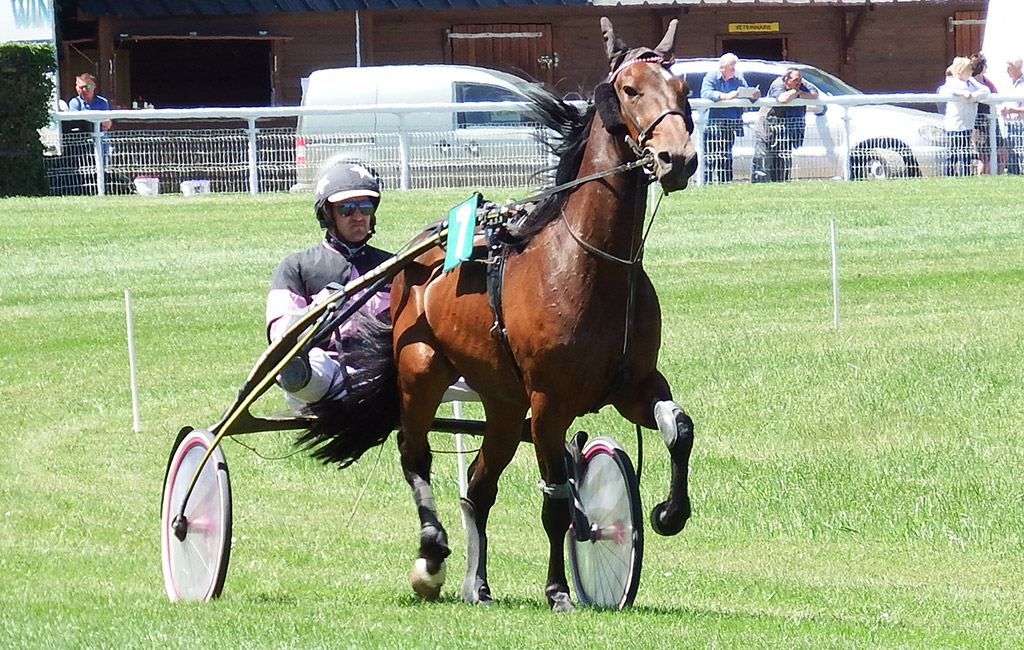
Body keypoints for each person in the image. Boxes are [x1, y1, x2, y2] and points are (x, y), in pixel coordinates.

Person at [266, 163, 393, 408]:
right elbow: (280, 334)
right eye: (346, 209)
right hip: (324, 366)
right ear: (327, 214)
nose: (358, 216)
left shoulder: (392, 266)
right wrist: (317, 310)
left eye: (365, 207)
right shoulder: (296, 266)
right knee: (309, 361)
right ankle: (299, 376)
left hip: (382, 369)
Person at [700, 53, 761, 184]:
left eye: (734, 66)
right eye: (732, 66)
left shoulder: (738, 79)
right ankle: (706, 182)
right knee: (710, 155)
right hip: (713, 124)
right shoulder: (712, 77)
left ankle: (725, 182)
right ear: (722, 68)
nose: (734, 69)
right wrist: (724, 96)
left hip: (730, 124)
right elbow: (705, 93)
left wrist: (754, 95)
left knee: (726, 155)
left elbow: (748, 93)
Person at [751, 67, 819, 183]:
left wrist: (799, 93)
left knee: (782, 162)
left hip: (784, 132)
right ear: (787, 79)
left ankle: (781, 185)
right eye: (796, 80)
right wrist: (795, 92)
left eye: (800, 80)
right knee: (763, 162)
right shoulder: (778, 84)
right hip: (766, 130)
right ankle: (759, 187)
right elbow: (782, 99)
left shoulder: (801, 84)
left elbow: (814, 95)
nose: (799, 83)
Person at [938, 56, 990, 177]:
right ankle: (948, 176)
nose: (971, 72)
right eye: (968, 70)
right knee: (953, 153)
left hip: (968, 124)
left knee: (965, 152)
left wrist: (973, 96)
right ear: (961, 70)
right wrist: (961, 94)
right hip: (955, 125)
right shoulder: (952, 82)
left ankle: (965, 175)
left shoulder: (971, 82)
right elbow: (943, 91)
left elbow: (985, 90)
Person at [969, 53, 1001, 174]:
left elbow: (996, 95)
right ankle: (982, 177)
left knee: (1001, 151)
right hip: (979, 122)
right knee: (984, 156)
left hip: (991, 120)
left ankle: (998, 176)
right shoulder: (971, 82)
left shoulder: (987, 82)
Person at [1000, 56, 1024, 174]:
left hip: (1021, 124)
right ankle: (1013, 173)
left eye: (1009, 68)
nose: (1007, 71)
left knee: (1021, 151)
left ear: (1017, 67)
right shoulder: (1009, 84)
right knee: (1011, 152)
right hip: (1008, 124)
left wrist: (1012, 110)